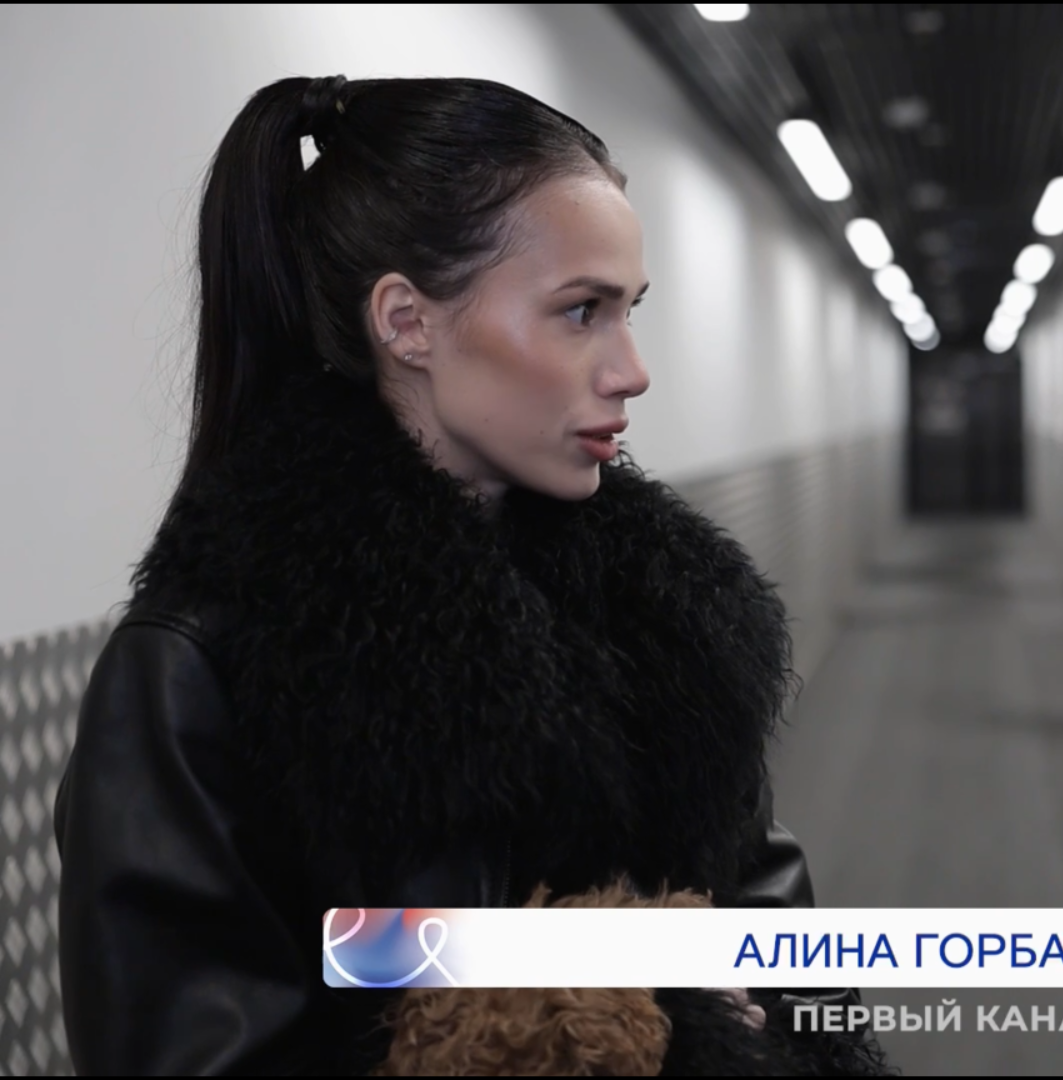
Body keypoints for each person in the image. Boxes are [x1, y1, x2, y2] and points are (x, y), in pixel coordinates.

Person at [54, 75, 884, 1076]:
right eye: (581, 311)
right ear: (407, 322)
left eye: (629, 310)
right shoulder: (197, 673)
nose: (631, 369)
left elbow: (778, 939)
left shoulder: (662, 618)